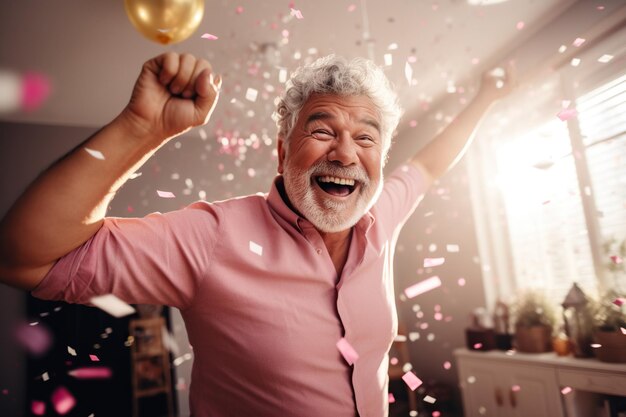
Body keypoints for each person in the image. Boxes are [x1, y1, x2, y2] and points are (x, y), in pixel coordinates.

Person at [0, 52, 513, 416]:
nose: (346, 153)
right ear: (283, 151)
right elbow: (22, 257)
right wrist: (140, 128)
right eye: (322, 129)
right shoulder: (211, 238)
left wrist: (488, 97)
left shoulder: (382, 214)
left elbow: (432, 160)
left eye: (365, 138)